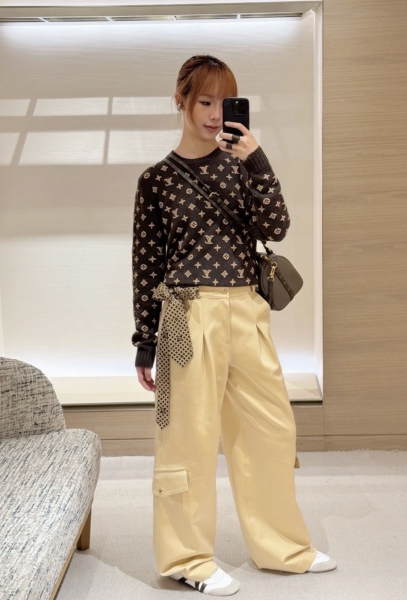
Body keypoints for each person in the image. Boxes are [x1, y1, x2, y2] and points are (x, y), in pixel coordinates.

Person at [131, 55, 337, 596]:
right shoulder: (156, 181)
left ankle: (282, 547)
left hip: (246, 309)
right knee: (188, 439)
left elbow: (277, 227)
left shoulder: (244, 166)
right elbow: (147, 265)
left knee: (271, 431)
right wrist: (145, 342)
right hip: (185, 314)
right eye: (205, 101)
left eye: (225, 104)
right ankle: (187, 559)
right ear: (180, 101)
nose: (215, 114)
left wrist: (257, 160)